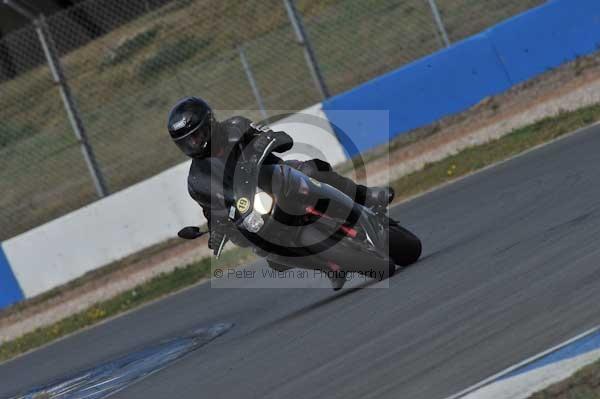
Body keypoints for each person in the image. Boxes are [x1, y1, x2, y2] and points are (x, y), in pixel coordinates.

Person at [167, 96, 394, 289]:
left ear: (210, 123)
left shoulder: (235, 127)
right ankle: (330, 266)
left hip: (276, 175)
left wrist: (270, 140)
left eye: (196, 136)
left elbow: (271, 136)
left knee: (312, 169)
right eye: (186, 141)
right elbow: (211, 210)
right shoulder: (196, 179)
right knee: (267, 253)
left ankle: (366, 195)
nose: (193, 144)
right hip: (251, 207)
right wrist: (215, 231)